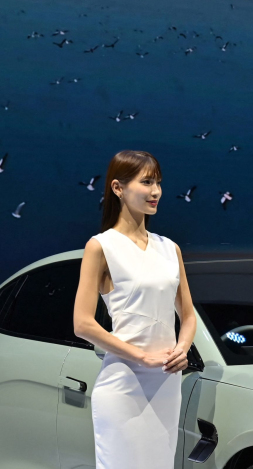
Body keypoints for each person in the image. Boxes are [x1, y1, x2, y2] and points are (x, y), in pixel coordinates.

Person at [73, 150, 197, 468]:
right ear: (118, 188)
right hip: (123, 384)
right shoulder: (101, 246)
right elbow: (82, 324)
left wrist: (182, 349)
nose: (156, 191)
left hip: (167, 383)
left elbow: (188, 315)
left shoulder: (170, 249)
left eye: (158, 183)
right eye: (147, 182)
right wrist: (141, 357)